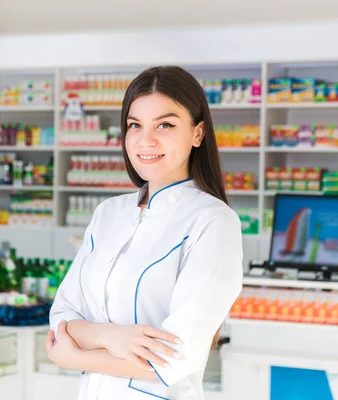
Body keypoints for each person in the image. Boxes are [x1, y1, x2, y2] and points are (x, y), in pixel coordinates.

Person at [47, 66, 244, 400]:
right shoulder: (108, 213)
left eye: (164, 124)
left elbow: (173, 360)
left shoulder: (213, 222)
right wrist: (113, 338)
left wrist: (76, 355)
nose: (145, 140)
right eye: (134, 125)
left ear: (197, 134)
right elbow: (61, 317)